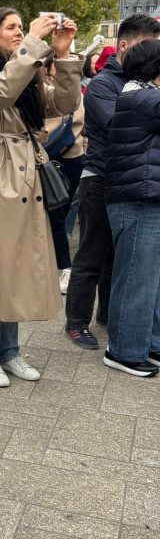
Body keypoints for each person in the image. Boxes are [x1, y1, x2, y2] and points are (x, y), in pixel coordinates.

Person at [0, 8, 82, 388]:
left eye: (20, 27)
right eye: (10, 27)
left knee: (17, 266)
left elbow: (64, 104)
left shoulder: (27, 70)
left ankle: (10, 350)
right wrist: (32, 44)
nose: (18, 32)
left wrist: (63, 55)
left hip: (27, 172)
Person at [64, 16, 160, 349]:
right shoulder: (104, 84)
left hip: (130, 183)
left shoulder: (141, 84)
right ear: (124, 45)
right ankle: (77, 322)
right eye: (148, 45)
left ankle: (108, 314)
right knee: (91, 255)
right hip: (101, 177)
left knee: (120, 258)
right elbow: (119, 124)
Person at [103, 39, 160, 377]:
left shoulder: (140, 96)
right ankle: (123, 351)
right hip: (138, 199)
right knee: (136, 279)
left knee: (149, 279)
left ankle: (150, 344)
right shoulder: (144, 99)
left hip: (143, 197)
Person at [43, 60, 87, 294]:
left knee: (56, 215)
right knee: (57, 215)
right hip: (68, 157)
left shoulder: (60, 92)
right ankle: (59, 267)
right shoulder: (45, 89)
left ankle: (63, 267)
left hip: (60, 157)